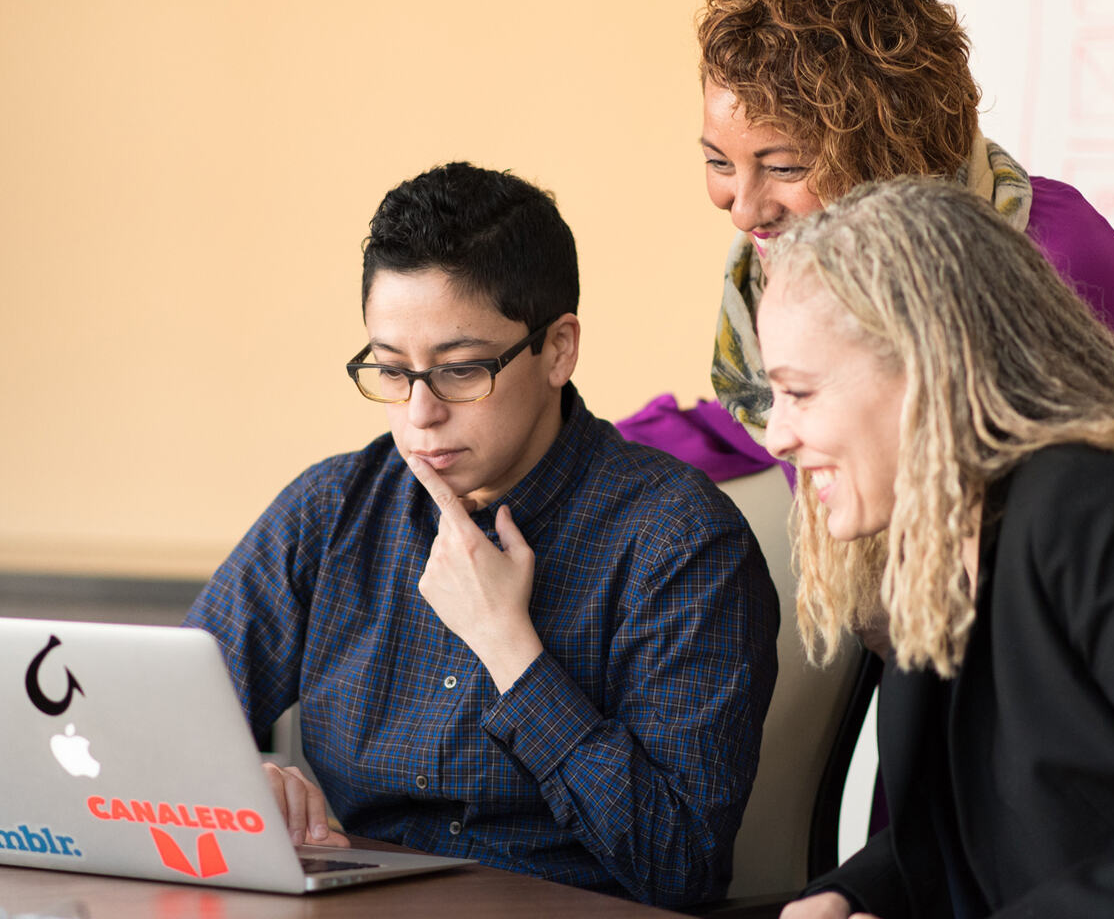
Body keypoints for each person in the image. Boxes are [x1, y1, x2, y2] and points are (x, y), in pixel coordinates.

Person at [184, 162, 778, 908]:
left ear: (558, 349)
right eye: (393, 372)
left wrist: (509, 647)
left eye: (461, 371)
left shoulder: (679, 543)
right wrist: (234, 784)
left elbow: (677, 862)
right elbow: (165, 726)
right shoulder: (333, 511)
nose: (420, 414)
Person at [756, 177, 1114, 918]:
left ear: (924, 368)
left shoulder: (1106, 512)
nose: (776, 435)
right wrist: (846, 894)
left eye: (798, 393)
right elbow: (971, 831)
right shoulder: (933, 539)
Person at [696, 0, 1114, 450]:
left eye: (785, 168)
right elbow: (748, 415)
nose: (743, 212)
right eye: (718, 162)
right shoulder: (772, 281)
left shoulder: (1055, 257)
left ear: (888, 154)